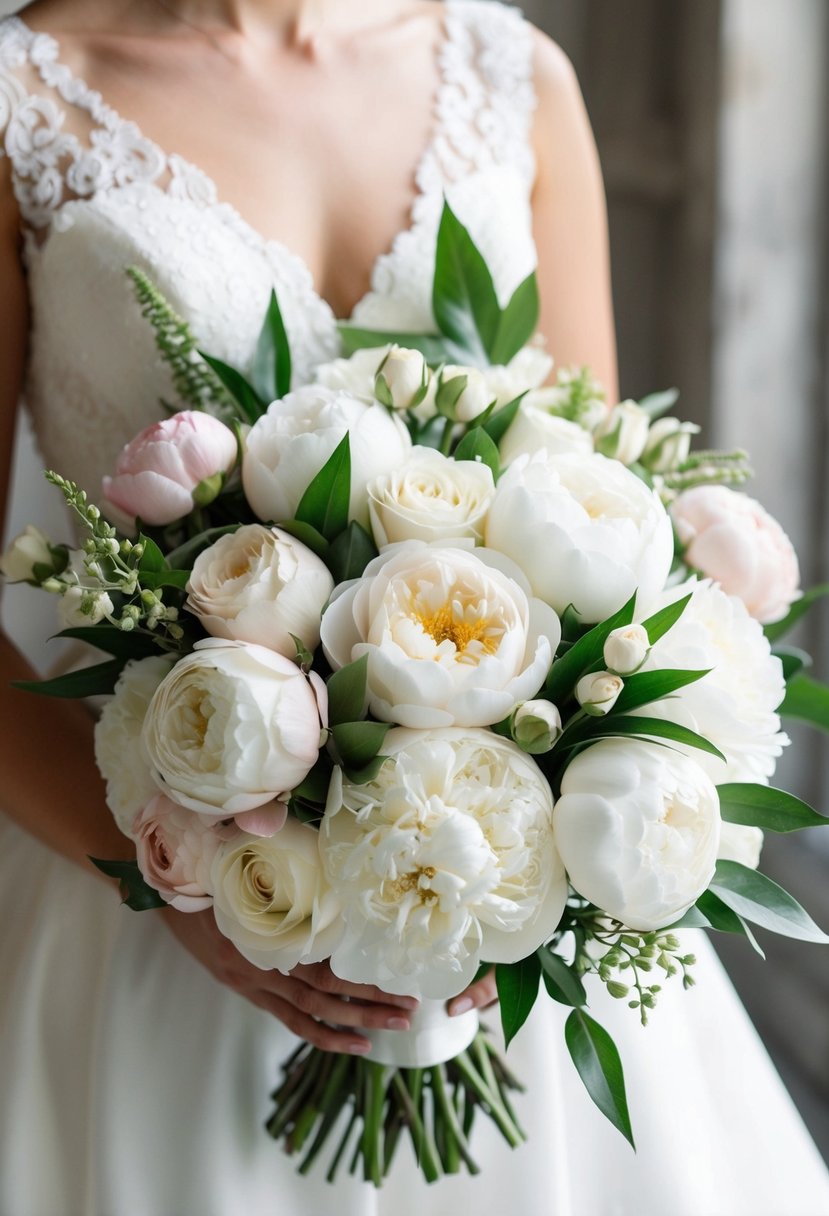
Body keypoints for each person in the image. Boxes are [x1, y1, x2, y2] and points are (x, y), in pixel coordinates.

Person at [1, 2, 828, 1213]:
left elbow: (606, 500)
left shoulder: (510, 73)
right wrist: (175, 884)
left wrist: (545, 861)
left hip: (499, 926)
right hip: (160, 912)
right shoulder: (27, 99)